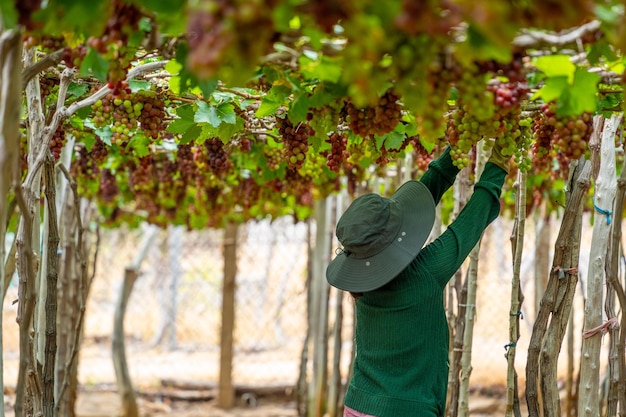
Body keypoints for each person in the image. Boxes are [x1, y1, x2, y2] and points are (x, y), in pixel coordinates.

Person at [325, 141, 511, 417]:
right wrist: (500, 157)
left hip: (359, 405)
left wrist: (462, 145)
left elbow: (430, 194)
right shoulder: (426, 272)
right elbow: (474, 217)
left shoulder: (362, 284)